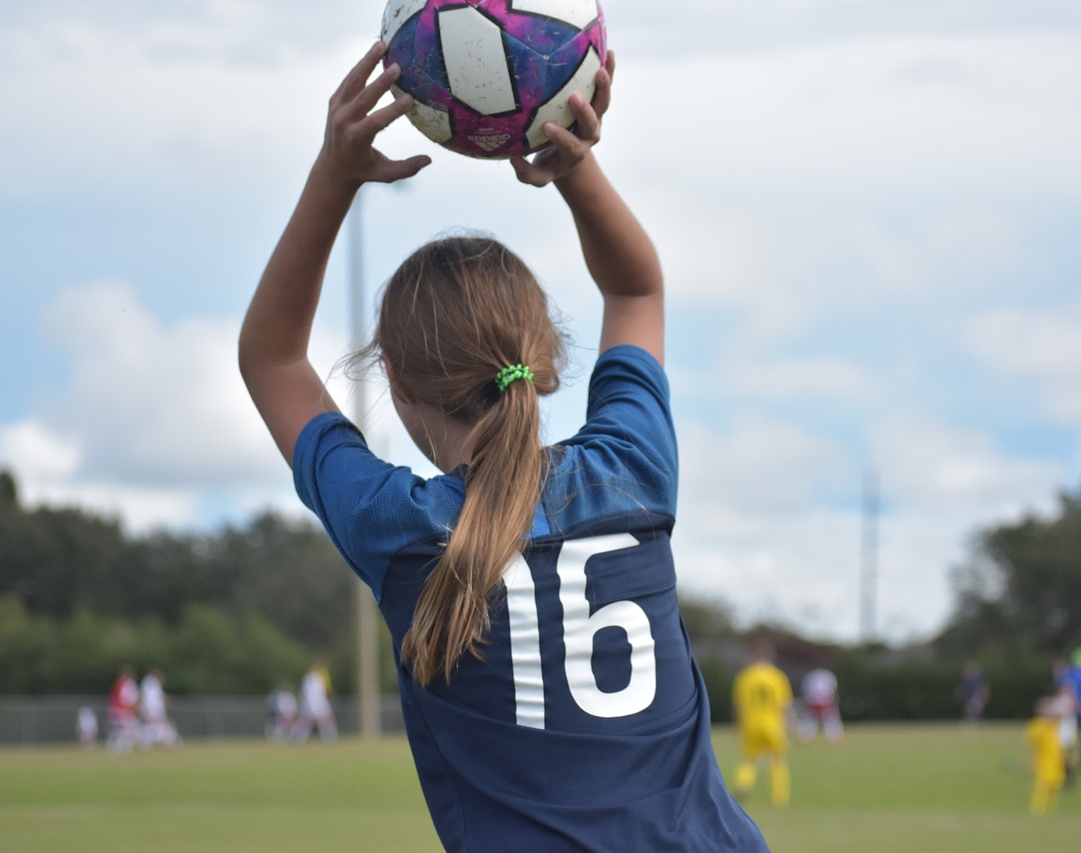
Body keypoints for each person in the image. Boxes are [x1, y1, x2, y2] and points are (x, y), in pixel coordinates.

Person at [238, 42, 769, 851]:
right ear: (546, 361)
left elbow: (271, 359)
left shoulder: (401, 530)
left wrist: (334, 172)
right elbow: (637, 287)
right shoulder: (628, 470)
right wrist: (574, 161)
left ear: (401, 385)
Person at [731, 634, 794, 806]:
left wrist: (739, 725)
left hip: (751, 724)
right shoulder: (777, 677)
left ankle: (742, 784)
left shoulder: (745, 677)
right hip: (773, 725)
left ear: (753, 656)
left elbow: (740, 705)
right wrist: (788, 724)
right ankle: (779, 798)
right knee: (777, 760)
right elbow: (783, 705)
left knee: (748, 760)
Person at [1024, 696, 1067, 814]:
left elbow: (1061, 745)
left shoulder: (1056, 726)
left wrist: (1064, 757)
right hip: (1043, 760)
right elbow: (1033, 746)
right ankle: (1038, 807)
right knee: (1042, 784)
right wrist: (1032, 762)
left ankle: (1051, 807)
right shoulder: (1037, 726)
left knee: (1055, 784)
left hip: (1056, 760)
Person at [293, 661, 337, 743]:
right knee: (306, 722)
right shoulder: (309, 679)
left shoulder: (319, 679)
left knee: (323, 722)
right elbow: (308, 694)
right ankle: (299, 739)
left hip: (318, 704)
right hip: (312, 704)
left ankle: (329, 738)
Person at [137, 668, 180, 750]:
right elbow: (151, 699)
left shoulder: (152, 685)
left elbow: (158, 697)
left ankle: (147, 743)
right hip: (153, 710)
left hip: (154, 710)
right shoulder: (150, 683)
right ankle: (169, 741)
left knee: (154, 726)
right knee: (156, 726)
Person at [798, 667, 843, 744]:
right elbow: (833, 690)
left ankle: (805, 738)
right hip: (825, 701)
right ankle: (834, 738)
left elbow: (805, 691)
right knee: (830, 721)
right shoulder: (828, 675)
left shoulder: (810, 676)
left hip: (814, 701)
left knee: (811, 720)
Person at [106, 666, 139, 754]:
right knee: (125, 730)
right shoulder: (127, 684)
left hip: (115, 709)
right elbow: (127, 699)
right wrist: (132, 707)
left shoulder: (118, 683)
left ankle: (115, 747)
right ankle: (122, 747)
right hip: (122, 710)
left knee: (117, 730)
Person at [957, 660, 991, 726]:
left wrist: (985, 695)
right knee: (970, 709)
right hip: (969, 696)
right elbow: (963, 688)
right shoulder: (967, 679)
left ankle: (973, 721)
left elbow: (984, 687)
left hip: (976, 696)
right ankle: (973, 721)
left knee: (973, 709)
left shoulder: (979, 679)